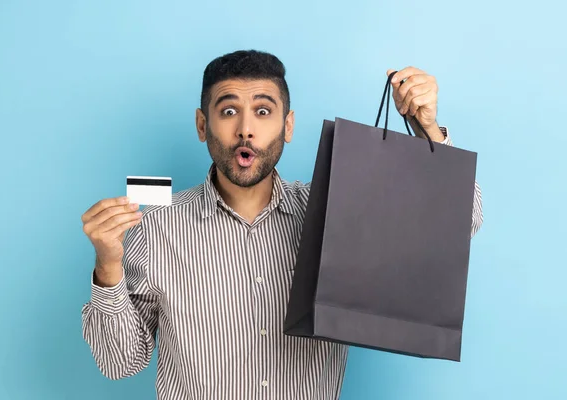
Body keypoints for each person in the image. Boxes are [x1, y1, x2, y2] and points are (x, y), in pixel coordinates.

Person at [81, 50, 483, 400]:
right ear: (202, 125)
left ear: (288, 126)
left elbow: (462, 222)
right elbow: (120, 363)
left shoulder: (332, 207)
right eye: (227, 111)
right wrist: (108, 267)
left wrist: (427, 128)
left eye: (262, 110)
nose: (245, 129)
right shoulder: (154, 227)